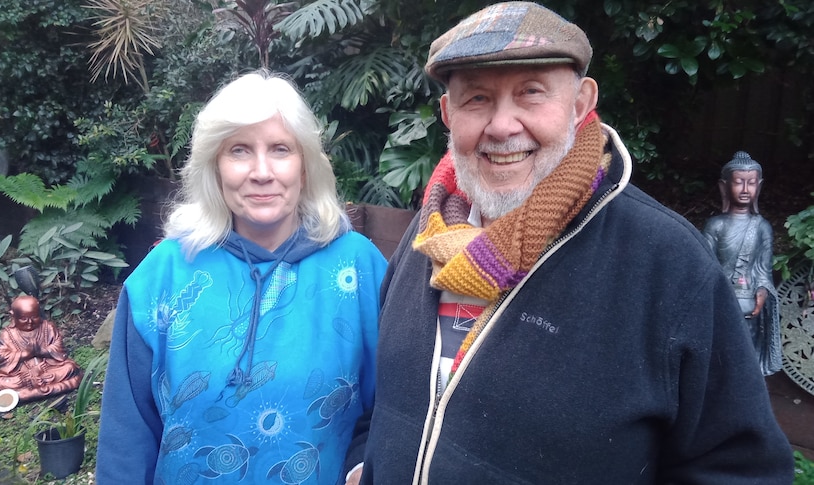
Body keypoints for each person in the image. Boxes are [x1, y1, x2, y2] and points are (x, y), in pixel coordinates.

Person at [346, 3, 794, 484]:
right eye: (476, 98)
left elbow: (741, 470)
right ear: (448, 114)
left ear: (581, 104)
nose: (501, 126)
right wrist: (364, 467)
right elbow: (385, 402)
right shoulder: (429, 234)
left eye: (531, 93)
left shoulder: (666, 263)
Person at [96, 70, 387, 484]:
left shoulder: (358, 269)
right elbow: (126, 437)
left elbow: (394, 408)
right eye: (239, 151)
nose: (262, 171)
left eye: (281, 149)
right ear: (214, 166)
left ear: (305, 166)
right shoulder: (162, 276)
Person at [702, 151, 781, 376]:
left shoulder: (763, 226)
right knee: (721, 350)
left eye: (752, 183)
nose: (745, 189)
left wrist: (763, 291)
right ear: (724, 186)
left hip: (749, 301)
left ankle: (749, 382)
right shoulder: (715, 225)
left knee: (748, 352)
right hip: (723, 299)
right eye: (738, 183)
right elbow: (707, 266)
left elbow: (764, 269)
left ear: (760, 186)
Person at [0, 295, 82, 403]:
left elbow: (58, 347)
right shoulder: (7, 334)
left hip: (48, 369)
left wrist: (41, 351)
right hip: (22, 374)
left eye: (34, 317)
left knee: (70, 368)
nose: (30, 322)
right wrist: (26, 354)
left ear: (39, 314)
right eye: (23, 318)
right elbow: (2, 356)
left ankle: (26, 392)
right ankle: (35, 385)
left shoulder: (47, 327)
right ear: (13, 316)